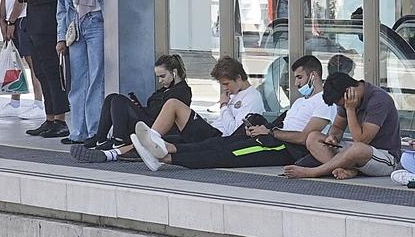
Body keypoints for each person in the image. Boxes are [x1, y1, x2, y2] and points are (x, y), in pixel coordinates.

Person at [112, 54, 334, 171]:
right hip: (269, 138)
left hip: (282, 147)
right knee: (219, 146)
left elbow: (305, 137)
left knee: (224, 155)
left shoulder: (324, 102)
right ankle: (165, 149)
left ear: (314, 76)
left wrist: (271, 132)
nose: (295, 84)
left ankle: (167, 156)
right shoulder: (300, 103)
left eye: (300, 78)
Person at [129, 56, 266, 171]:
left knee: (173, 104)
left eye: (226, 84)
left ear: (238, 78)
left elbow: (235, 131)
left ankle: (152, 138)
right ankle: (150, 148)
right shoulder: (234, 94)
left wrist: (224, 106)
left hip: (221, 138)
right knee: (172, 137)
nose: (225, 88)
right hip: (213, 130)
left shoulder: (252, 98)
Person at [282, 69, 401, 180]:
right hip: (355, 151)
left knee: (357, 149)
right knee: (313, 137)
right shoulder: (345, 100)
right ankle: (347, 169)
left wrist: (350, 109)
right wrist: (333, 137)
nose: (342, 107)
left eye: (341, 104)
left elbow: (361, 140)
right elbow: (338, 127)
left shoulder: (379, 100)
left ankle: (313, 172)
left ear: (349, 91)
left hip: (384, 157)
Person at [11, 0, 71, 137]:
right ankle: (50, 116)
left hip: (48, 24)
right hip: (36, 22)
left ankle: (61, 119)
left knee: (52, 72)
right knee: (41, 72)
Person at [78, 53, 193, 157]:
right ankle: (100, 138)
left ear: (174, 72)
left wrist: (138, 109)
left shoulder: (182, 91)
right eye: (158, 77)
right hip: (149, 120)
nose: (160, 81)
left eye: (162, 76)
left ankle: (119, 139)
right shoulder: (165, 89)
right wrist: (138, 107)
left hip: (158, 128)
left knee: (119, 100)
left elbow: (161, 114)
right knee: (111, 98)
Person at [59, 0, 105, 144]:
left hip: (96, 24)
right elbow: (62, 9)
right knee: (77, 80)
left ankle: (95, 130)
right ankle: (78, 131)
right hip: (76, 27)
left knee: (96, 77)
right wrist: (61, 37)